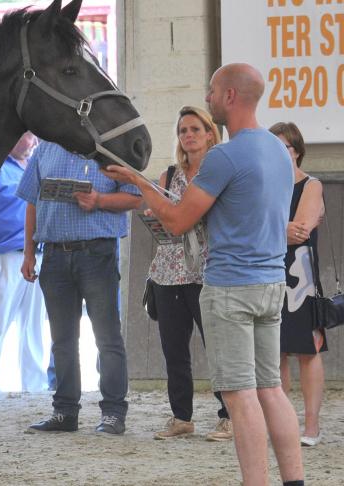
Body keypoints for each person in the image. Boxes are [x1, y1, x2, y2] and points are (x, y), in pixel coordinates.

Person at [105, 63, 304, 486]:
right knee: (270, 389)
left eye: (213, 90)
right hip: (271, 282)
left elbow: (177, 221)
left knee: (240, 395)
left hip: (231, 286)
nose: (209, 97)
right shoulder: (275, 149)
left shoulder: (224, 157)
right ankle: (295, 481)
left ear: (230, 96)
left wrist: (139, 185)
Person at [18, 141, 141, 435]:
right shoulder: (44, 149)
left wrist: (99, 200)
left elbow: (136, 197)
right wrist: (28, 252)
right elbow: (32, 201)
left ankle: (113, 412)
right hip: (54, 254)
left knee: (106, 336)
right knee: (62, 339)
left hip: (96, 252)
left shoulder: (109, 148)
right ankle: (64, 412)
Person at [148, 106, 232, 441]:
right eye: (183, 130)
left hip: (208, 271)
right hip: (168, 271)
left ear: (210, 133)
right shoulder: (169, 175)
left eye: (195, 129)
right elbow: (161, 213)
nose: (189, 135)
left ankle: (228, 415)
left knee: (219, 347)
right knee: (174, 350)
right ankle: (181, 416)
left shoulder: (220, 170)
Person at [0, 132, 47, 392]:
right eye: (29, 138)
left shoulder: (35, 169)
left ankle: (34, 383)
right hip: (3, 256)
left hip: (35, 254)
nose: (33, 143)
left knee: (33, 323)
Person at [270, 121, 326, 447]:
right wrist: (280, 230)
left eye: (285, 148)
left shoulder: (311, 185)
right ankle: (283, 424)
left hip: (301, 279)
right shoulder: (263, 187)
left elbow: (300, 231)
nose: (279, 155)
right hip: (269, 275)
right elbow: (280, 232)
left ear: (297, 151)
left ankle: (312, 426)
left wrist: (270, 231)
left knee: (308, 351)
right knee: (273, 353)